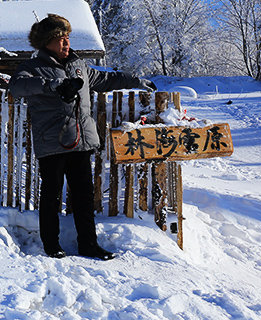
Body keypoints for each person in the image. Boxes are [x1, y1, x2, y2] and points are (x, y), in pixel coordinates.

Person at [8, 13, 155, 260]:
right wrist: (52, 85)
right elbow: (18, 86)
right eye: (60, 39)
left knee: (84, 197)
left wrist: (136, 80)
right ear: (47, 42)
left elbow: (107, 78)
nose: (66, 43)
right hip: (52, 143)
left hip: (80, 141)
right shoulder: (31, 68)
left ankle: (89, 244)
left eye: (67, 38)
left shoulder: (79, 66)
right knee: (52, 196)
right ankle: (51, 245)